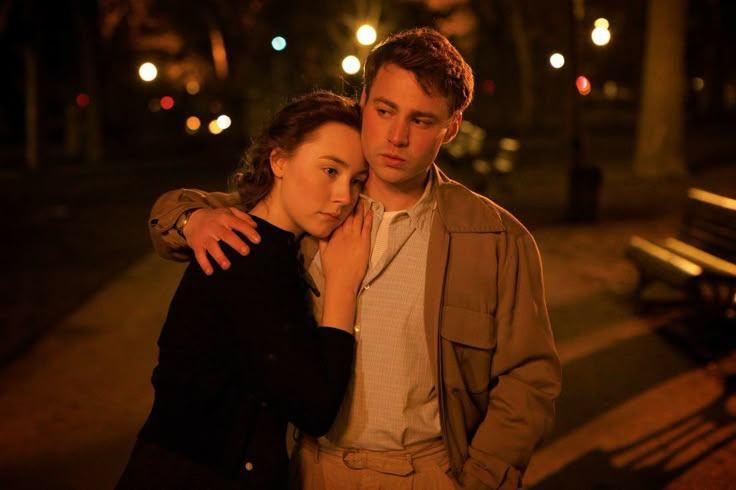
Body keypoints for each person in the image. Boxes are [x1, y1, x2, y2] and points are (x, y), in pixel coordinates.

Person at [148, 27, 562, 490]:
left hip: (428, 472)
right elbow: (208, 215)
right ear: (364, 100)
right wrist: (190, 219)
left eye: (422, 121)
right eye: (385, 111)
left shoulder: (495, 239)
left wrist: (482, 479)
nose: (397, 137)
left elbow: (528, 378)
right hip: (310, 468)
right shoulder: (317, 204)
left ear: (452, 126)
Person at [117, 91, 372, 490]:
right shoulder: (244, 250)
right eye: (329, 171)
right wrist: (342, 286)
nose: (344, 197)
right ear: (279, 160)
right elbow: (315, 407)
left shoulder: (271, 245)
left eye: (356, 181)